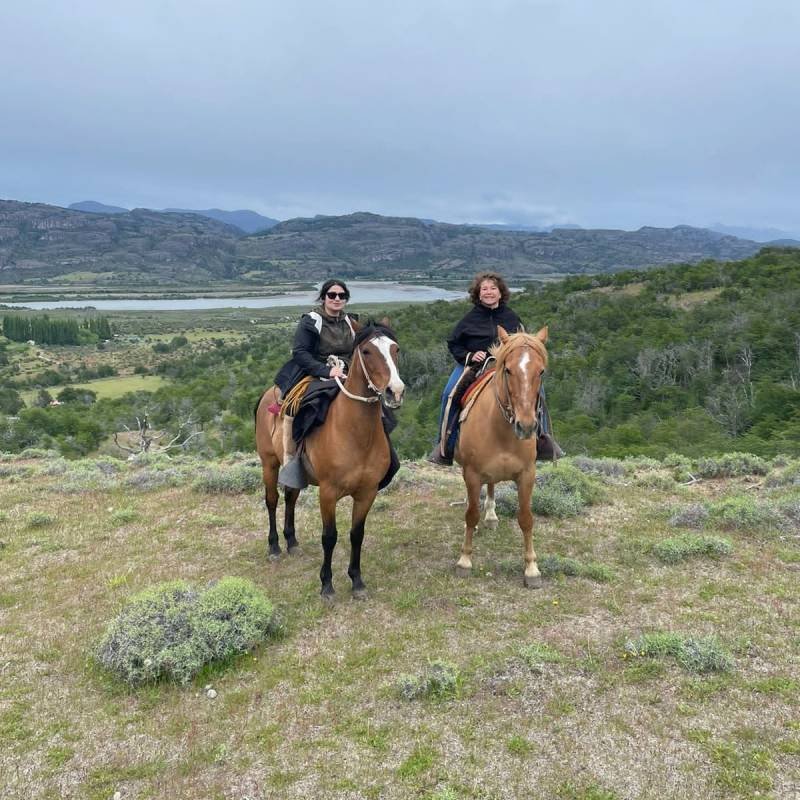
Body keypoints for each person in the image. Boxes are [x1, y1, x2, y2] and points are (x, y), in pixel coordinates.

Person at [428, 270, 562, 465]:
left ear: (500, 293)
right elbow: (454, 343)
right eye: (484, 289)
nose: (488, 292)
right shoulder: (469, 319)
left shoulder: (511, 317)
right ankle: (444, 444)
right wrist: (470, 355)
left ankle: (543, 439)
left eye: (493, 288)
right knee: (449, 393)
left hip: (506, 366)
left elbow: (522, 345)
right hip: (474, 366)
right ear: (478, 294)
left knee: (538, 391)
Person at [273, 279, 357, 479]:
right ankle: (291, 458)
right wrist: (327, 371)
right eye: (332, 295)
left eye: (341, 295)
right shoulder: (311, 320)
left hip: (346, 372)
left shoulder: (351, 322)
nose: (337, 299)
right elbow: (300, 352)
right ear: (324, 297)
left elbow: (358, 352)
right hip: (314, 371)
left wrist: (348, 369)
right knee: (296, 405)